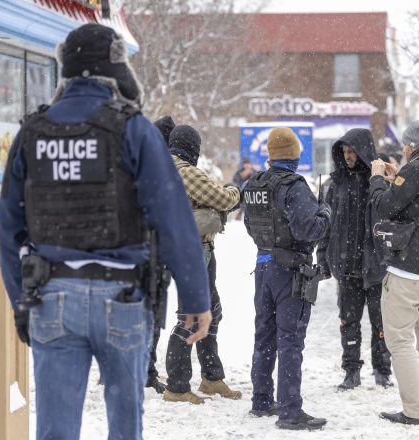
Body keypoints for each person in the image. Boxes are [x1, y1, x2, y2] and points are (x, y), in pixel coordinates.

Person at [0, 24, 212, 440]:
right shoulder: (134, 129)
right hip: (123, 298)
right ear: (114, 69)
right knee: (125, 427)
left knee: (55, 431)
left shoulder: (32, 133)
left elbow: (9, 232)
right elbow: (174, 219)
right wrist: (196, 299)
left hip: (52, 296)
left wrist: (20, 301)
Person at [244, 127, 330, 431]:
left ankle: (262, 399)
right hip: (290, 272)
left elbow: (250, 227)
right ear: (294, 154)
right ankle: (291, 410)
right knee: (290, 340)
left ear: (270, 154)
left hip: (263, 267)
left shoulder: (254, 183)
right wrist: (325, 213)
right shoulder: (295, 186)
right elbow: (309, 229)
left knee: (264, 336)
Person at [163, 124, 242, 404]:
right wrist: (234, 190)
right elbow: (222, 198)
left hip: (180, 247)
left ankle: (211, 377)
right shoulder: (184, 171)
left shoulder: (159, 167)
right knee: (191, 315)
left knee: (212, 310)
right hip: (195, 250)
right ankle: (177, 385)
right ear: (191, 147)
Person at [317, 129, 392, 391]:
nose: (349, 156)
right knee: (348, 322)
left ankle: (382, 370)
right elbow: (326, 224)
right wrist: (323, 259)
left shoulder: (380, 182)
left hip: (377, 267)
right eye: (345, 152)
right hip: (346, 266)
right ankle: (351, 371)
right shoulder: (336, 183)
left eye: (353, 151)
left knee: (381, 323)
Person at [370, 121, 419, 425]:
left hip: (409, 272)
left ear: (411, 145)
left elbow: (385, 208)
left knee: (400, 342)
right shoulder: (409, 173)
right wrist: (396, 179)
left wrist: (377, 178)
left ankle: (414, 409)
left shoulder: (414, 169)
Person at [143, 115, 177, 394]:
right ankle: (147, 370)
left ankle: (128, 369)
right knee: (153, 314)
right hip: (153, 253)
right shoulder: (161, 168)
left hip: (136, 254)